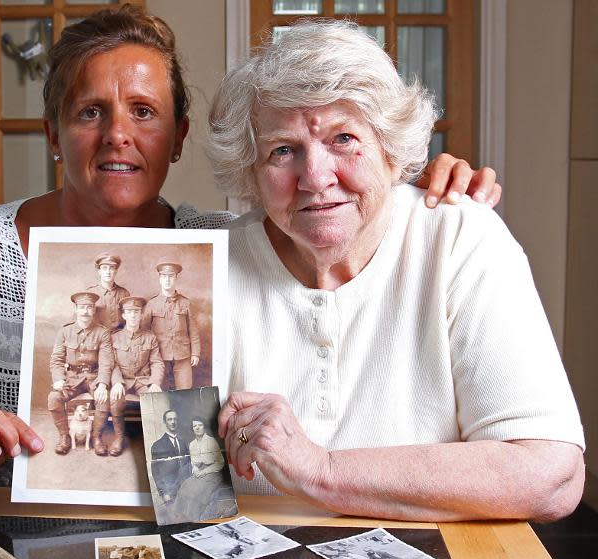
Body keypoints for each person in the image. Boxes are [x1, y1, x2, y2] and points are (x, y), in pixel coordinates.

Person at [0, 4, 501, 497]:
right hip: (18, 550)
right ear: (54, 133)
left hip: (192, 553)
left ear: (179, 136)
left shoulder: (231, 246)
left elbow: (335, 216)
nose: (118, 135)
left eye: (144, 112)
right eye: (90, 111)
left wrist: (424, 186)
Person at [213, 19, 584, 522]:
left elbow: (550, 475)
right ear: (251, 173)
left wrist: (318, 470)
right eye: (283, 150)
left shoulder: (458, 239)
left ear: (392, 152)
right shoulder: (215, 262)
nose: (316, 177)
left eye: (344, 139)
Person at [48, 291, 113, 455]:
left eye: (89, 307)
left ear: (93, 310)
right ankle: (65, 437)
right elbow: (56, 359)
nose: (85, 311)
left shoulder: (102, 332)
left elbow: (106, 362)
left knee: (104, 399)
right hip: (72, 379)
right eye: (82, 307)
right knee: (54, 398)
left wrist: (103, 384)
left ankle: (97, 438)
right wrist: (58, 379)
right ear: (76, 309)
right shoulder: (65, 332)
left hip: (94, 377)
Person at [108, 296, 164, 456]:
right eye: (129, 312)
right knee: (115, 400)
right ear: (124, 315)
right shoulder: (114, 337)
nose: (133, 315)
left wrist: (154, 383)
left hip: (143, 381)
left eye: (136, 312)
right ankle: (119, 438)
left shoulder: (150, 337)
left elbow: (157, 362)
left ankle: (154, 442)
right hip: (123, 380)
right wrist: (117, 382)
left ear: (141, 315)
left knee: (155, 400)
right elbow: (112, 364)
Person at [142, 261, 200, 390]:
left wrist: (195, 353)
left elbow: (193, 330)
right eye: (164, 276)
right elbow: (144, 331)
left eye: (170, 276)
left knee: (184, 393)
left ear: (176, 278)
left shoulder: (185, 303)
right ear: (160, 279)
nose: (167, 280)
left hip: (183, 355)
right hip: (159, 356)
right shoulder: (152, 304)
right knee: (159, 394)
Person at [172, 416, 236, 520]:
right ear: (192, 429)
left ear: (204, 427)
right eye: (194, 426)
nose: (197, 428)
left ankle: (193, 517)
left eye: (200, 425)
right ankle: (180, 516)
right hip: (200, 472)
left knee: (197, 491)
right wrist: (195, 469)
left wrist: (204, 471)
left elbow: (220, 462)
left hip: (214, 472)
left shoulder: (211, 441)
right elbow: (193, 462)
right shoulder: (192, 444)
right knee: (185, 485)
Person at [149, 409, 190, 503]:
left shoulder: (184, 442)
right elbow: (156, 472)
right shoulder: (157, 445)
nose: (173, 422)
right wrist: (163, 493)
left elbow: (188, 463)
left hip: (187, 488)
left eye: (175, 419)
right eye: (169, 419)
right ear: (165, 422)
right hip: (170, 490)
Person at [86, 251, 130, 332]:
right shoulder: (91, 293)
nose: (108, 272)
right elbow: (85, 319)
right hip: (99, 338)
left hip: (119, 339)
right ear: (99, 272)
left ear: (116, 271)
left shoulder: (124, 293)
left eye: (111, 268)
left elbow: (128, 320)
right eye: (104, 268)